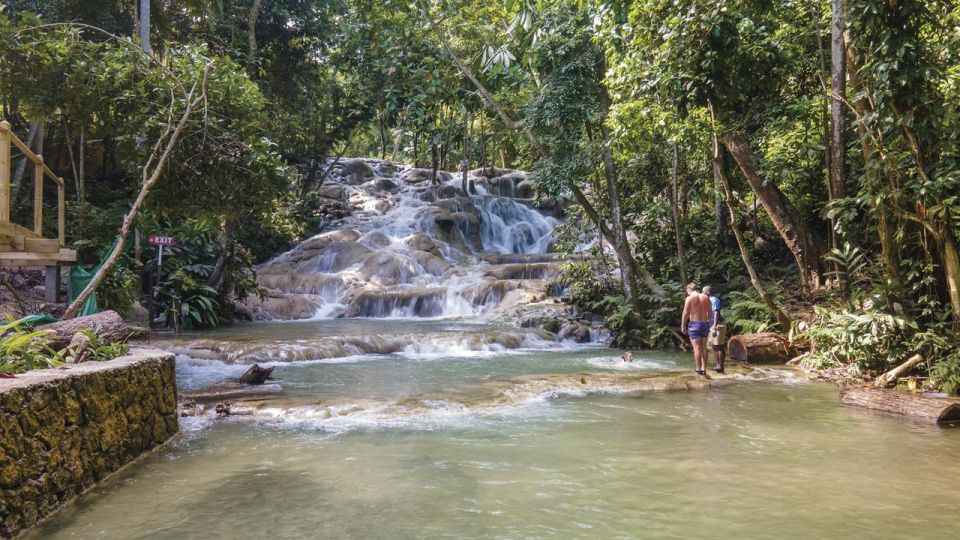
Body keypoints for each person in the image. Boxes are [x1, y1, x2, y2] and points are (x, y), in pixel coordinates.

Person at [680, 282, 711, 376]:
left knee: (697, 348)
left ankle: (698, 370)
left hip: (694, 324)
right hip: (705, 323)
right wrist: (709, 323)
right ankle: (704, 369)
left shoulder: (689, 298)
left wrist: (683, 325)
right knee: (704, 348)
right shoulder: (705, 297)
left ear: (689, 289)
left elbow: (685, 313)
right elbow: (710, 312)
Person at [703, 285, 726, 373]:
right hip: (712, 325)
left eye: (703, 292)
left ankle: (721, 366)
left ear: (708, 292)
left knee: (719, 346)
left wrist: (714, 327)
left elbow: (716, 313)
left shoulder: (714, 300)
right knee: (714, 346)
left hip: (718, 325)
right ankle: (717, 365)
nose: (702, 293)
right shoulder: (707, 300)